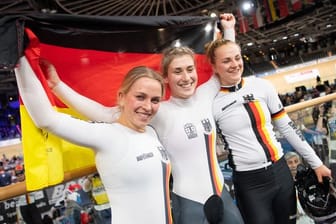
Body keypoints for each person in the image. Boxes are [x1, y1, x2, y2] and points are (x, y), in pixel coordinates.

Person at [41, 14, 244, 224]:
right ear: (165, 77)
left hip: (223, 195)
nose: (186, 77)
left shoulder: (205, 93)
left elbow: (226, 64)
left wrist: (229, 30)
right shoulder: (157, 111)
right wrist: (58, 86)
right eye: (177, 71)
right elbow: (103, 113)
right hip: (189, 203)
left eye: (190, 69)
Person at [15, 55, 172, 224]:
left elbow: (104, 112)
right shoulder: (107, 135)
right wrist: (19, 57)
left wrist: (58, 87)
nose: (148, 106)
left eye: (155, 100)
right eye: (140, 97)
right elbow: (46, 119)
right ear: (121, 97)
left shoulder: (150, 132)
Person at [206, 39, 332, 224]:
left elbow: (288, 127)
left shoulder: (261, 86)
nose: (234, 64)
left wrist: (316, 163)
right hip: (249, 182)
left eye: (237, 58)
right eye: (226, 61)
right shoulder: (211, 102)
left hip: (280, 172)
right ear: (214, 66)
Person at [284, 151, 315, 224]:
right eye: (290, 163)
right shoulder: (283, 183)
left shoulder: (307, 179)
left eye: (296, 161)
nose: (294, 165)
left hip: (309, 219)